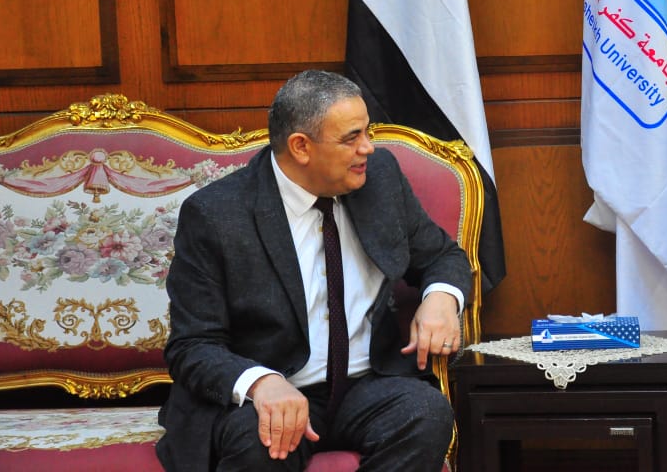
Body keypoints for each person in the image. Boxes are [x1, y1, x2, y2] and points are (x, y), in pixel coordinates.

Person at [156, 70, 471, 472]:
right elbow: (192, 345)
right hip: (273, 390)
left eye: (368, 132)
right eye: (351, 138)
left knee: (425, 413)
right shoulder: (217, 215)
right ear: (301, 147)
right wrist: (261, 382)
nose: (368, 148)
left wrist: (441, 298)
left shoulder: (380, 178)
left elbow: (442, 255)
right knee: (259, 440)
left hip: (367, 385)